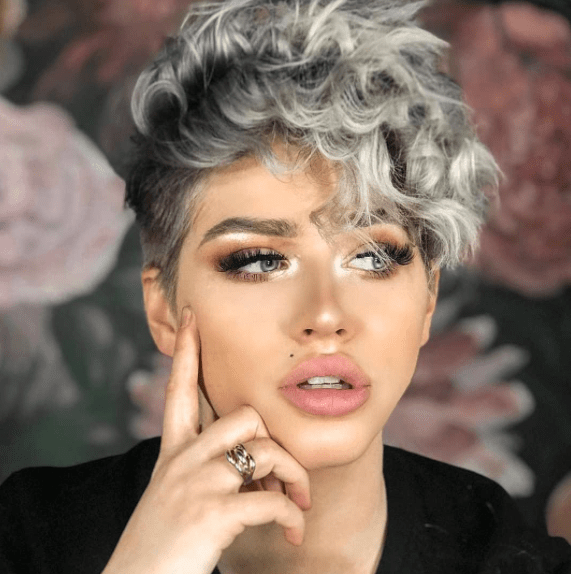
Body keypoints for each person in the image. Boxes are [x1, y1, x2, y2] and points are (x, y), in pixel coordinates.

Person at [1, 0, 570, 572]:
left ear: (427, 300)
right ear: (164, 311)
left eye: (372, 257)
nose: (325, 314)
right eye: (258, 261)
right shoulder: (26, 537)